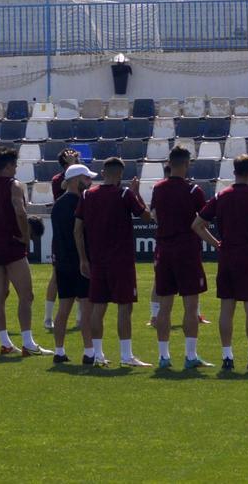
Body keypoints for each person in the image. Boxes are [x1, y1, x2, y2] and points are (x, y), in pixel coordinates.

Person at [191, 155, 248, 371]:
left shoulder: (221, 196)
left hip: (227, 256)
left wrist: (217, 244)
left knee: (226, 308)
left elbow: (197, 225)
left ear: (234, 173)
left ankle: (227, 356)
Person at [75, 157, 152, 368]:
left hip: (97, 261)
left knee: (98, 308)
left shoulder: (87, 195)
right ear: (120, 174)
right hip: (122, 261)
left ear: (103, 172)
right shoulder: (125, 194)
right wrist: (137, 192)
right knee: (124, 307)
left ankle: (97, 354)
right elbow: (147, 217)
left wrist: (83, 258)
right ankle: (126, 355)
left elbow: (77, 230)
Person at [150, 147, 213, 370]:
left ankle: (164, 357)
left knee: (165, 307)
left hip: (164, 249)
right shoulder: (194, 190)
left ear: (170, 163)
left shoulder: (158, 189)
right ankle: (190, 355)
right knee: (191, 306)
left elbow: (155, 216)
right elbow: (202, 220)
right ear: (186, 164)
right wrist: (215, 242)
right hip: (187, 250)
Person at [0, 146, 48, 356]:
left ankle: (5, 342)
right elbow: (20, 211)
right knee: (26, 295)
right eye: (15, 165)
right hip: (11, 243)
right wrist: (25, 237)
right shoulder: (15, 185)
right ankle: (28, 342)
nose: (16, 169)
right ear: (9, 165)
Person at [50, 164, 95, 364]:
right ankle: (89, 352)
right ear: (77, 180)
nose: (90, 182)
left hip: (62, 263)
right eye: (86, 179)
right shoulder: (81, 203)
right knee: (86, 310)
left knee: (63, 308)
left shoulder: (57, 204)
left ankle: (59, 351)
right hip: (80, 263)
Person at [44, 148, 80, 332]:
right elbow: (66, 187)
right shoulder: (58, 179)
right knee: (56, 277)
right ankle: (48, 317)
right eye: (73, 158)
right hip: (64, 234)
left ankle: (80, 318)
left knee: (83, 274)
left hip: (79, 230)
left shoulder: (82, 178)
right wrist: (72, 166)